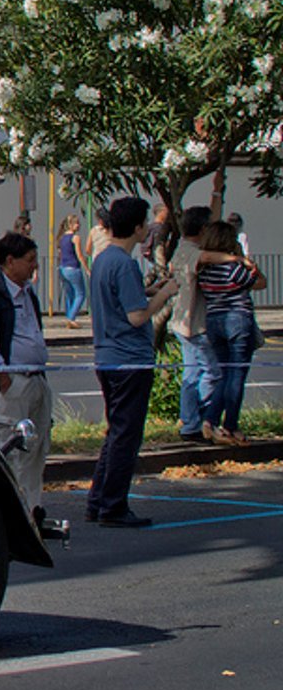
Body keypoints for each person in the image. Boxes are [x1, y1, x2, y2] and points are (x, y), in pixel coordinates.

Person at [87, 196, 181, 528]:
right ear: (138, 226)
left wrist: (148, 290)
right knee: (127, 436)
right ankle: (113, 504)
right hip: (130, 359)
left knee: (116, 432)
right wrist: (165, 292)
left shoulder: (102, 259)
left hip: (108, 356)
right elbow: (138, 316)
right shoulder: (124, 263)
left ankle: (99, 499)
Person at [0, 232, 53, 525]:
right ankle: (9, 515)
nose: (33, 267)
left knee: (37, 448)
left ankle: (32, 510)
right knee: (11, 449)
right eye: (29, 261)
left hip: (35, 380)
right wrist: (3, 377)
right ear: (9, 261)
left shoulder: (27, 292)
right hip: (11, 385)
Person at [198, 218, 267, 447]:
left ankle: (211, 419)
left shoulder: (204, 270)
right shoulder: (234, 268)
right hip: (238, 319)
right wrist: (249, 264)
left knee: (225, 372)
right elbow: (259, 282)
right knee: (237, 375)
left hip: (213, 320)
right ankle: (229, 424)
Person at [166, 207, 219, 443]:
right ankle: (197, 420)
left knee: (193, 371)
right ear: (203, 229)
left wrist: (217, 192)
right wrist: (236, 258)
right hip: (194, 323)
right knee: (212, 372)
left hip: (183, 322)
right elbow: (206, 258)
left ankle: (191, 422)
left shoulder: (182, 248)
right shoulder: (190, 251)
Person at [55, 213, 87, 325]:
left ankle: (69, 315)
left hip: (63, 268)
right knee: (81, 294)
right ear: (71, 225)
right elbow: (79, 255)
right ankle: (71, 318)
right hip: (73, 267)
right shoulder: (75, 238)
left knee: (70, 295)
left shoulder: (61, 238)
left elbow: (60, 254)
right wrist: (87, 269)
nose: (78, 225)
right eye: (76, 223)